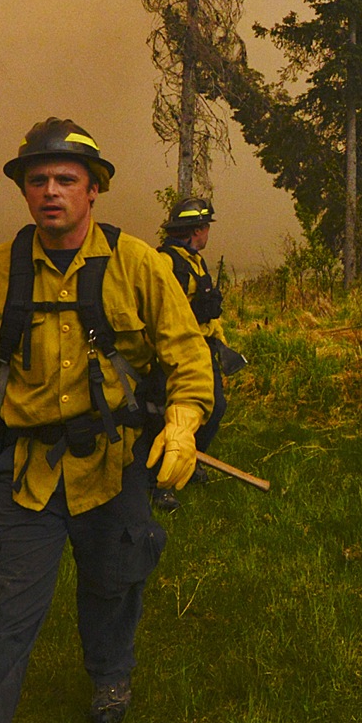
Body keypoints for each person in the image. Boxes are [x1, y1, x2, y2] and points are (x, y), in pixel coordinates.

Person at [0, 118, 215, 723]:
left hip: (114, 468)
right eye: (38, 180)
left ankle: (111, 674)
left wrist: (183, 420)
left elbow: (186, 351)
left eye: (66, 179)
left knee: (115, 583)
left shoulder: (138, 263)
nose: (51, 191)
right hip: (26, 474)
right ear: (25, 191)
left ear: (93, 190)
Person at [156, 196, 243, 511]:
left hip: (204, 347)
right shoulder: (167, 263)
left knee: (214, 409)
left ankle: (189, 461)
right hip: (181, 349)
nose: (208, 233)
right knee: (171, 417)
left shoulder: (195, 261)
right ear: (195, 229)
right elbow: (163, 313)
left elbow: (208, 313)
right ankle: (160, 485)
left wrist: (220, 341)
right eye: (206, 227)